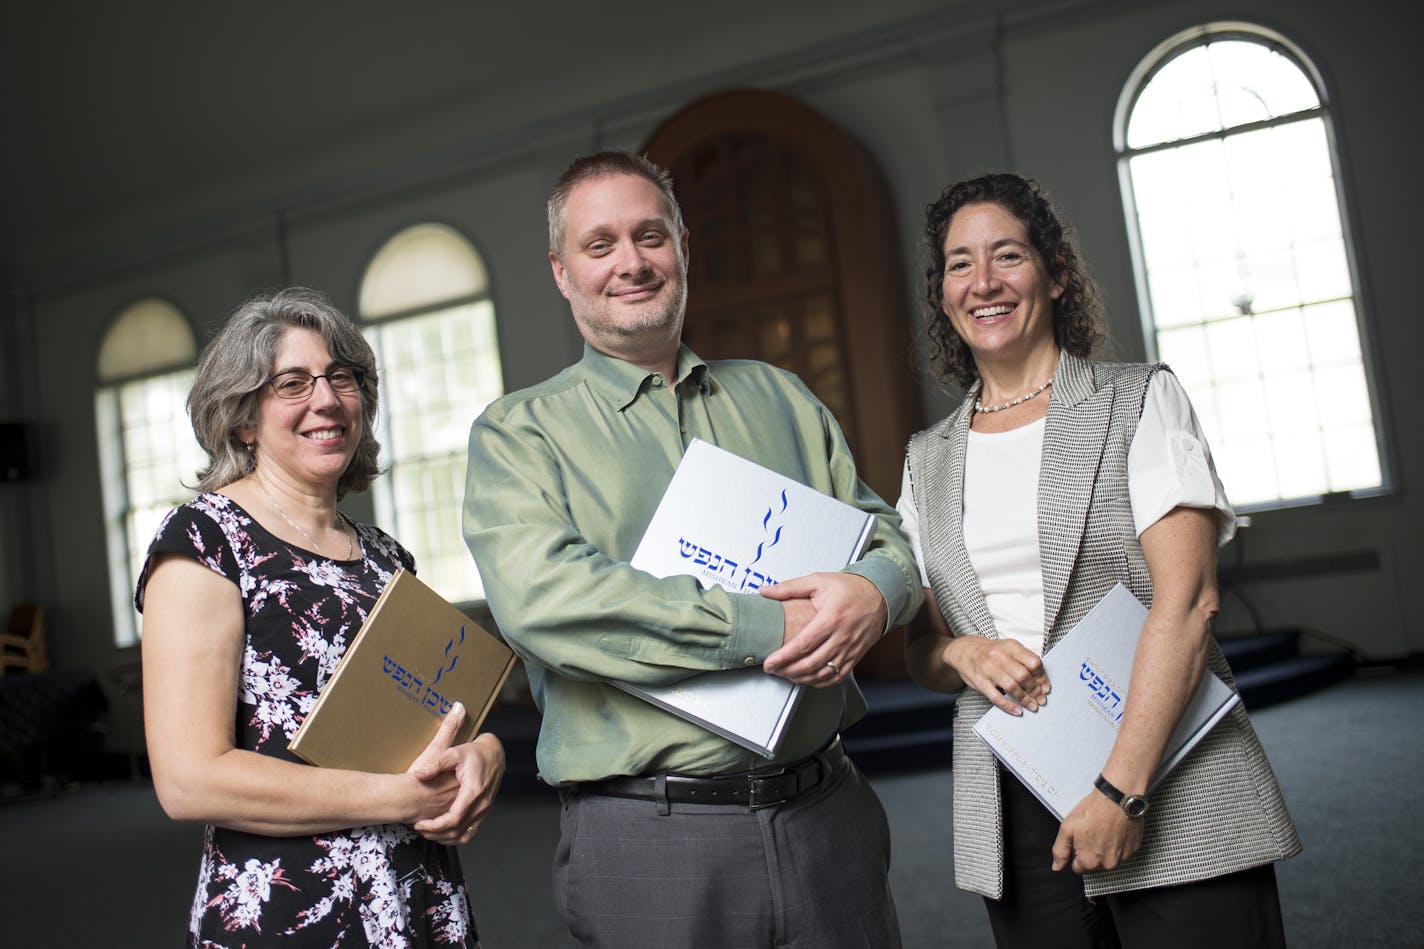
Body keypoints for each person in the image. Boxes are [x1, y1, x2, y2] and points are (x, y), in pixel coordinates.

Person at [463, 151, 923, 948]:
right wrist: (766, 628)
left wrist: (878, 591)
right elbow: (551, 602)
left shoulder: (779, 394)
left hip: (829, 814)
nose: (632, 263)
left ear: (683, 247)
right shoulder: (519, 434)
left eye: (651, 236)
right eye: (600, 245)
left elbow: (884, 533)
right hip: (651, 835)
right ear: (561, 272)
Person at [897, 173, 1301, 948]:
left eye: (1006, 255)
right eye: (959, 263)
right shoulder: (925, 460)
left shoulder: (1140, 398)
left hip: (1164, 769)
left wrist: (1123, 789)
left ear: (1053, 273)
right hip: (1013, 798)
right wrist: (959, 649)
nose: (983, 281)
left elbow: (1188, 604)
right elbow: (921, 652)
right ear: (943, 294)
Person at [138, 287, 504, 947]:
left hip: (417, 898)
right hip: (288, 910)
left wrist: (486, 753)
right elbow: (188, 778)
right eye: (293, 383)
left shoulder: (386, 557)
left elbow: (437, 719)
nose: (327, 399)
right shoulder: (204, 539)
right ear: (245, 416)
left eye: (342, 377)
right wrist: (398, 798)